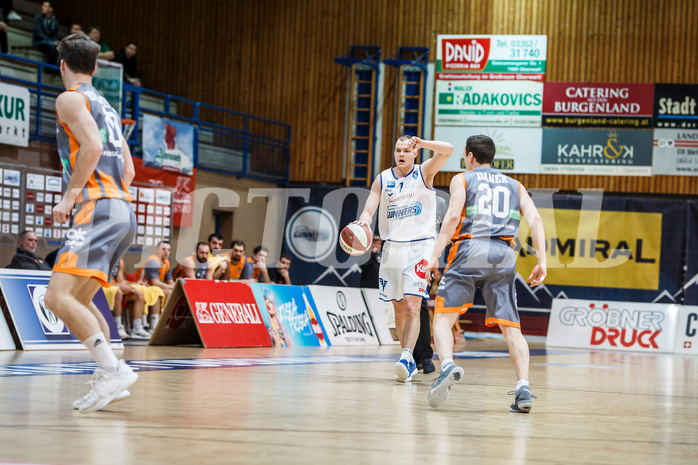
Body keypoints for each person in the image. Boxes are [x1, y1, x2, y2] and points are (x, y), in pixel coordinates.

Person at [42, 31, 138, 414]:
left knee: (56, 297)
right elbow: (128, 169)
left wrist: (71, 197)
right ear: (96, 68)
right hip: (122, 209)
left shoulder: (69, 98)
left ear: (62, 65)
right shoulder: (109, 109)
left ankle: (113, 370)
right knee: (79, 298)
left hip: (96, 208)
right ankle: (111, 371)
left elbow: (93, 147)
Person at [425, 135, 546, 413]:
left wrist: (434, 255)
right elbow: (536, 220)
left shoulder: (462, 179)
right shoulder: (516, 185)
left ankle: (447, 366)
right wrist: (542, 260)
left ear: (469, 156)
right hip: (503, 253)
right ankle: (523, 387)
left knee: (443, 318)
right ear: (493, 157)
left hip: (469, 247)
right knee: (512, 329)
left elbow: (454, 217)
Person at [354, 135, 453, 383]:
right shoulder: (383, 179)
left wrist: (423, 143)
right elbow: (369, 208)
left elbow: (448, 150)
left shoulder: (424, 172)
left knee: (412, 305)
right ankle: (406, 360)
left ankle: (408, 355)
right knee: (398, 310)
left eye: (406, 151)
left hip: (420, 248)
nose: (401, 154)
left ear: (414, 153)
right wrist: (364, 221)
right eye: (397, 150)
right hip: (392, 249)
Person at [138, 240, 174, 329]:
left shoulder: (166, 262)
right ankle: (159, 322)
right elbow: (155, 283)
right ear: (157, 250)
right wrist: (173, 287)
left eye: (168, 250)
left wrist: (176, 286)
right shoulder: (153, 261)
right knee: (168, 292)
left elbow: (170, 281)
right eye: (163, 249)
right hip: (143, 286)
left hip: (154, 288)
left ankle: (166, 320)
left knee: (173, 292)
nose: (166, 252)